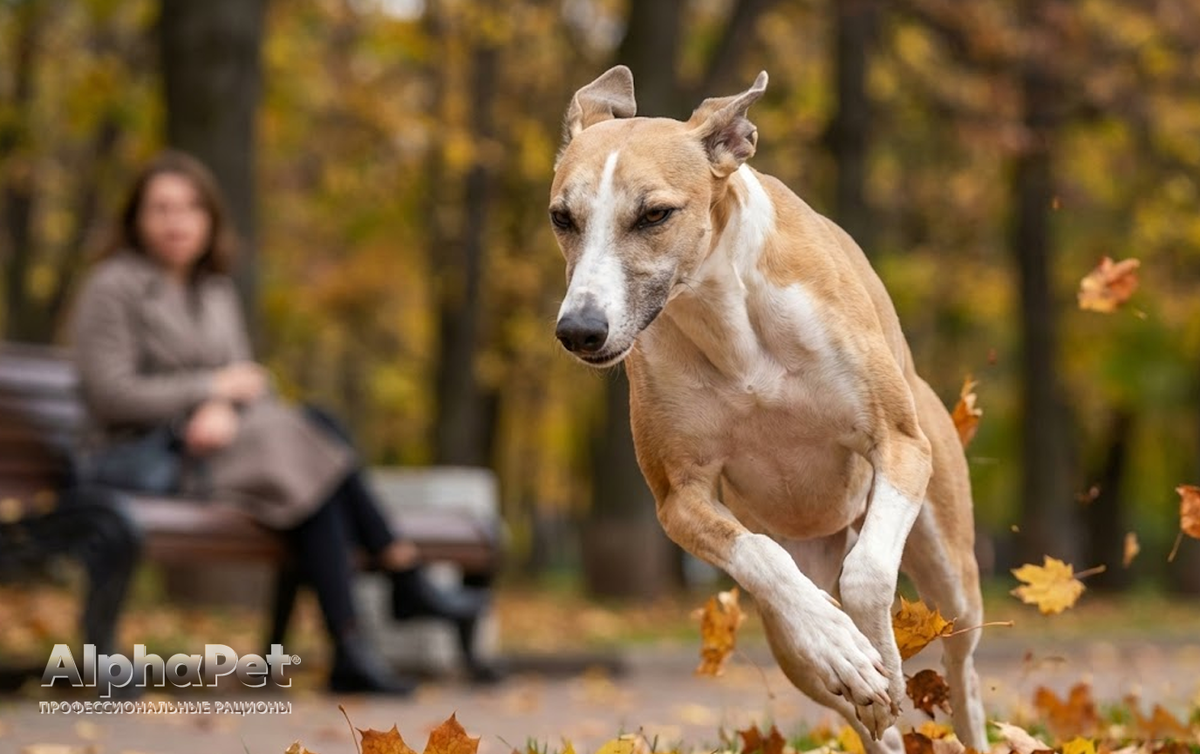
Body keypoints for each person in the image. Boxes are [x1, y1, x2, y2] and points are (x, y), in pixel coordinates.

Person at [69, 150, 489, 694]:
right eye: (162, 209)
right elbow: (110, 394)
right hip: (140, 456)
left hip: (215, 446)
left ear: (211, 219)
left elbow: (242, 385)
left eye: (191, 208)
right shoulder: (113, 286)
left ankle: (356, 641)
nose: (178, 221)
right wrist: (209, 392)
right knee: (313, 446)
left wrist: (222, 403)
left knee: (314, 446)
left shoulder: (214, 291)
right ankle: (391, 589)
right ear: (136, 219)